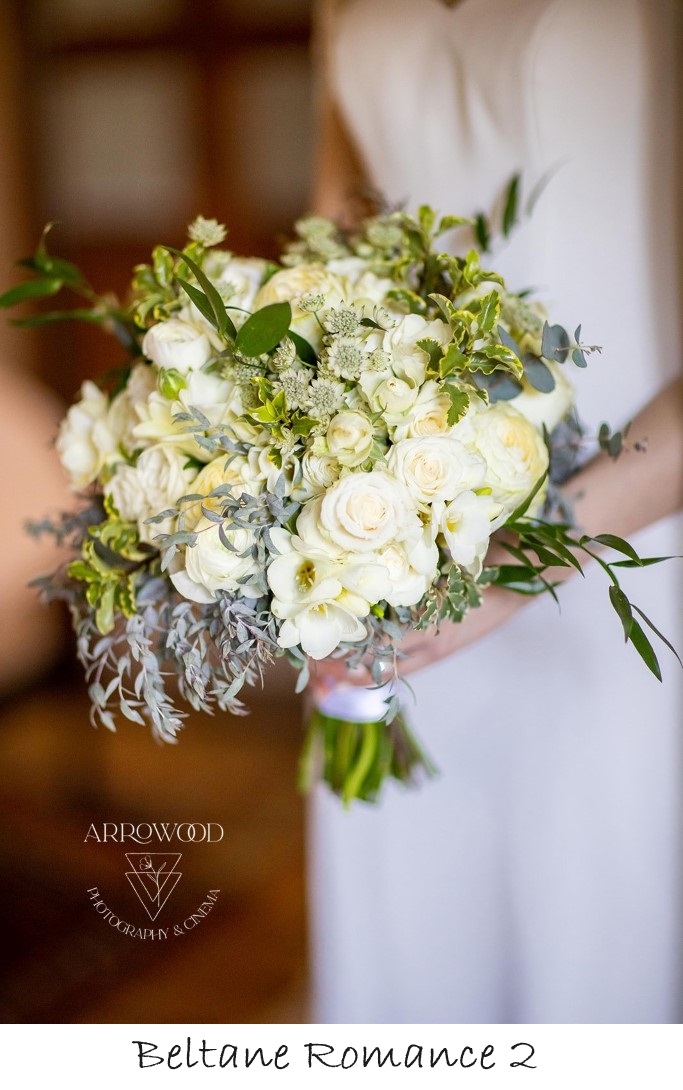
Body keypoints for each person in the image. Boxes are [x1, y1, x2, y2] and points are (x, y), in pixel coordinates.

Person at [307, 0, 683, 1022]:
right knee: (413, 917)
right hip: (395, 530)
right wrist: (307, 489)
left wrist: (520, 561)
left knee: (596, 929)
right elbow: (340, 236)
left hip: (629, 541)